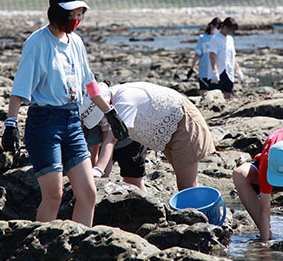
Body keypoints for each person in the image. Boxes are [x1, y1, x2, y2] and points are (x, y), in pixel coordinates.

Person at [1, 0, 128, 227]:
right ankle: (41, 246)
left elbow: (89, 84)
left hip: (72, 123)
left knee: (89, 194)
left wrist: (110, 113)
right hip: (44, 124)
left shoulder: (77, 43)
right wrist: (11, 122)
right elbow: (20, 88)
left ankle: (79, 243)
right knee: (54, 195)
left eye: (80, 13)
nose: (77, 18)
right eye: (72, 14)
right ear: (57, 13)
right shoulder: (37, 43)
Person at [82, 81, 215, 191]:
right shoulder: (109, 105)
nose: (103, 119)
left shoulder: (125, 101)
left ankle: (204, 218)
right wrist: (102, 178)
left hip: (184, 122)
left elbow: (111, 140)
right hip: (166, 131)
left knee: (187, 186)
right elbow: (106, 143)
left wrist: (97, 170)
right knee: (184, 182)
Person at [207, 17, 244, 99]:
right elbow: (212, 56)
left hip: (229, 71)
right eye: (230, 29)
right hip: (219, 72)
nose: (231, 31)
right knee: (215, 98)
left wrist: (238, 70)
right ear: (224, 27)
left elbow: (232, 56)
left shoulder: (230, 39)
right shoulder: (215, 39)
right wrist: (214, 71)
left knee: (228, 95)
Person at [187, 17, 222, 95]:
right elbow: (198, 53)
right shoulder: (203, 38)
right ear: (211, 25)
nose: (217, 29)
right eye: (216, 26)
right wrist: (192, 68)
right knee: (203, 93)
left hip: (216, 72)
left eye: (219, 27)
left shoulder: (219, 38)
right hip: (204, 71)